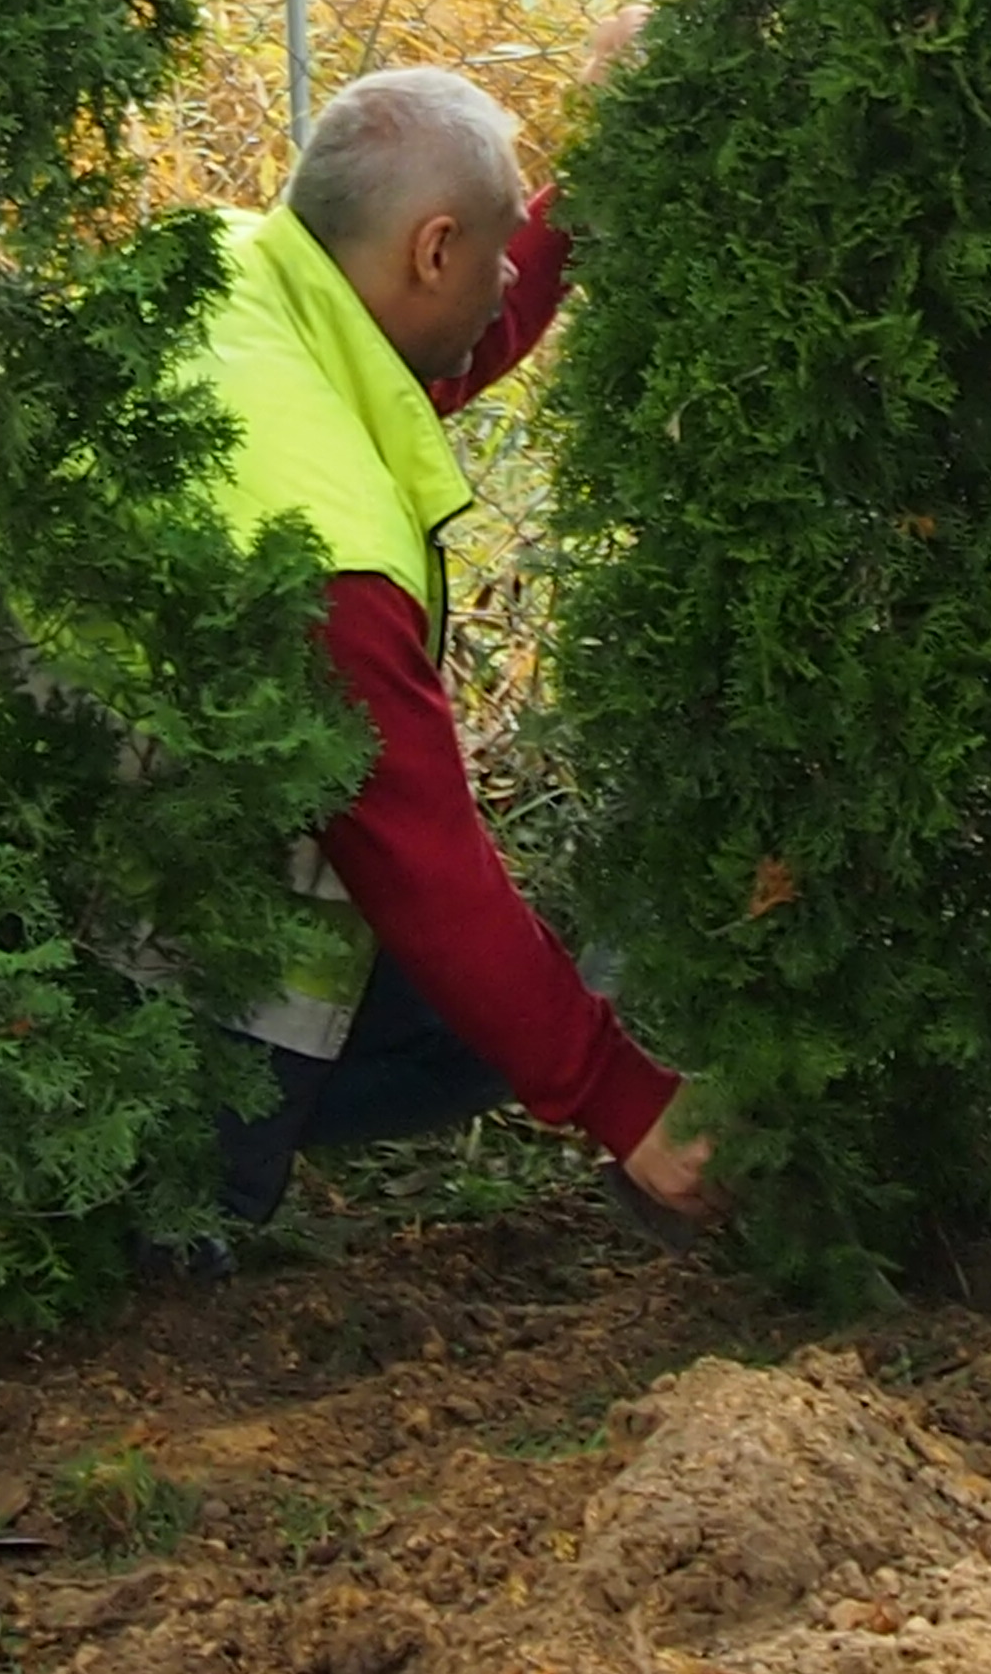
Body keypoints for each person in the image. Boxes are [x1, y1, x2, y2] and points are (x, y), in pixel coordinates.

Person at [186, 63, 720, 1243]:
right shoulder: (326, 553)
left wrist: (597, 180)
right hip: (161, 973)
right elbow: (424, 871)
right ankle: (178, 1198)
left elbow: (441, 348)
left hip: (16, 883)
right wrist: (626, 1106)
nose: (509, 282)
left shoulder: (225, 277)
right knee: (495, 973)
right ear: (433, 249)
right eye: (494, 252)